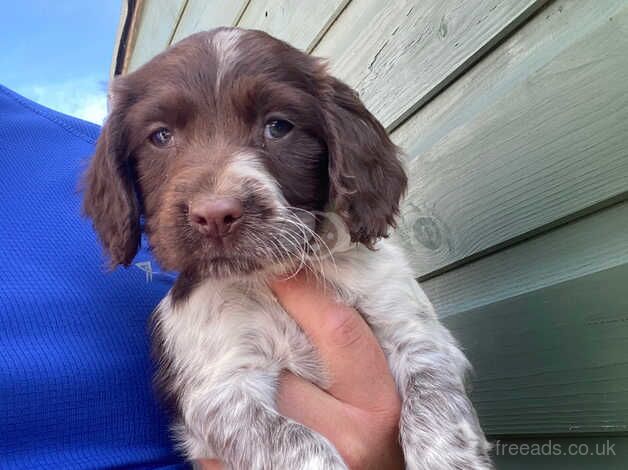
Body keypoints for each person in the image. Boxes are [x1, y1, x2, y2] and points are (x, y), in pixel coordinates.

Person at [0, 84, 403, 469]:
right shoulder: (121, 168)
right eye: (162, 137)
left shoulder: (99, 152)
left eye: (276, 127)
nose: (214, 204)